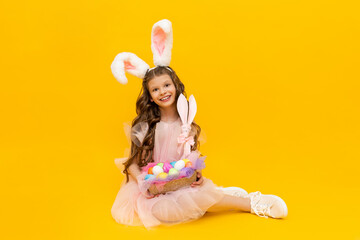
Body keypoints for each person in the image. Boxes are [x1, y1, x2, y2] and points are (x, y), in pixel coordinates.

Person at [110, 19, 288, 229]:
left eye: (167, 85)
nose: (163, 92)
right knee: (163, 214)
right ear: (149, 97)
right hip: (154, 186)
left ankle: (251, 203)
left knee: (193, 197)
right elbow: (131, 163)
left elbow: (187, 155)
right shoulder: (144, 125)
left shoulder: (185, 119)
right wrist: (143, 181)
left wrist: (194, 170)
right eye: (155, 89)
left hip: (179, 183)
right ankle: (221, 196)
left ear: (175, 86)